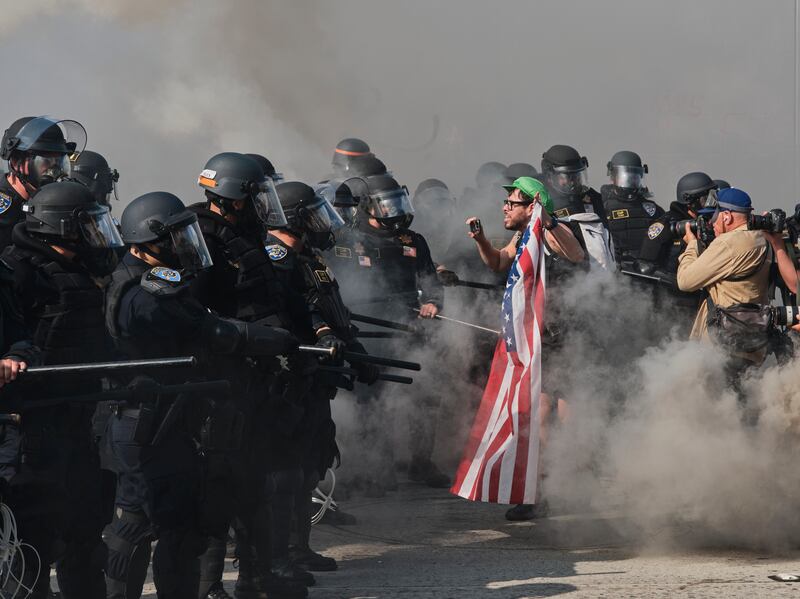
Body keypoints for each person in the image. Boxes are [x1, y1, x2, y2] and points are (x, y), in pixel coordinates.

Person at [190, 152, 310, 599]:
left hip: (257, 375)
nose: (264, 205)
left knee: (255, 481)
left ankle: (256, 579)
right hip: (222, 379)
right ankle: (207, 587)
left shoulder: (246, 235)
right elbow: (197, 313)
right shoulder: (201, 236)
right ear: (234, 197)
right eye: (257, 195)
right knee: (219, 485)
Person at [1, 180, 123, 598]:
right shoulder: (18, 270)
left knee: (85, 530)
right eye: (88, 226)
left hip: (76, 419)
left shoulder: (79, 274)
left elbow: (96, 344)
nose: (96, 235)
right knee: (32, 539)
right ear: (60, 228)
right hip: (32, 428)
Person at [466, 176, 584, 521]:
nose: (505, 207)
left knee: (564, 410)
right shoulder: (523, 234)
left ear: (532, 206)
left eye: (513, 202)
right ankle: (542, 491)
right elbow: (499, 264)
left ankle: (567, 485)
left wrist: (547, 219)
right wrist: (481, 240)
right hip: (540, 337)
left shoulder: (548, 232)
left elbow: (575, 254)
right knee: (540, 410)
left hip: (564, 335)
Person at [325, 173, 449, 490]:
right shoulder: (345, 241)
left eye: (398, 202)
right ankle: (370, 468)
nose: (395, 211)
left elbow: (430, 280)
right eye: (386, 205)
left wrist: (433, 302)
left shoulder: (413, 240)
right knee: (371, 399)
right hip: (370, 329)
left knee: (424, 395)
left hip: (411, 326)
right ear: (367, 207)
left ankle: (420, 461)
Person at [677, 188, 772, 379]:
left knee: (714, 400)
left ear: (727, 217)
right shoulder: (762, 239)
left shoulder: (728, 243)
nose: (711, 222)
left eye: (714, 215)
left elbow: (685, 281)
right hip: (753, 337)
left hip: (722, 342)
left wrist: (691, 246)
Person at [0, 116, 87, 250]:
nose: (55, 171)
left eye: (59, 162)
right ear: (17, 162)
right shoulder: (5, 213)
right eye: (46, 161)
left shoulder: (50, 202)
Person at [600, 150, 664, 265]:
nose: (630, 181)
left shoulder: (651, 209)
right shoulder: (601, 207)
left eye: (634, 177)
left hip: (647, 269)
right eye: (625, 177)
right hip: (615, 271)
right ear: (613, 177)